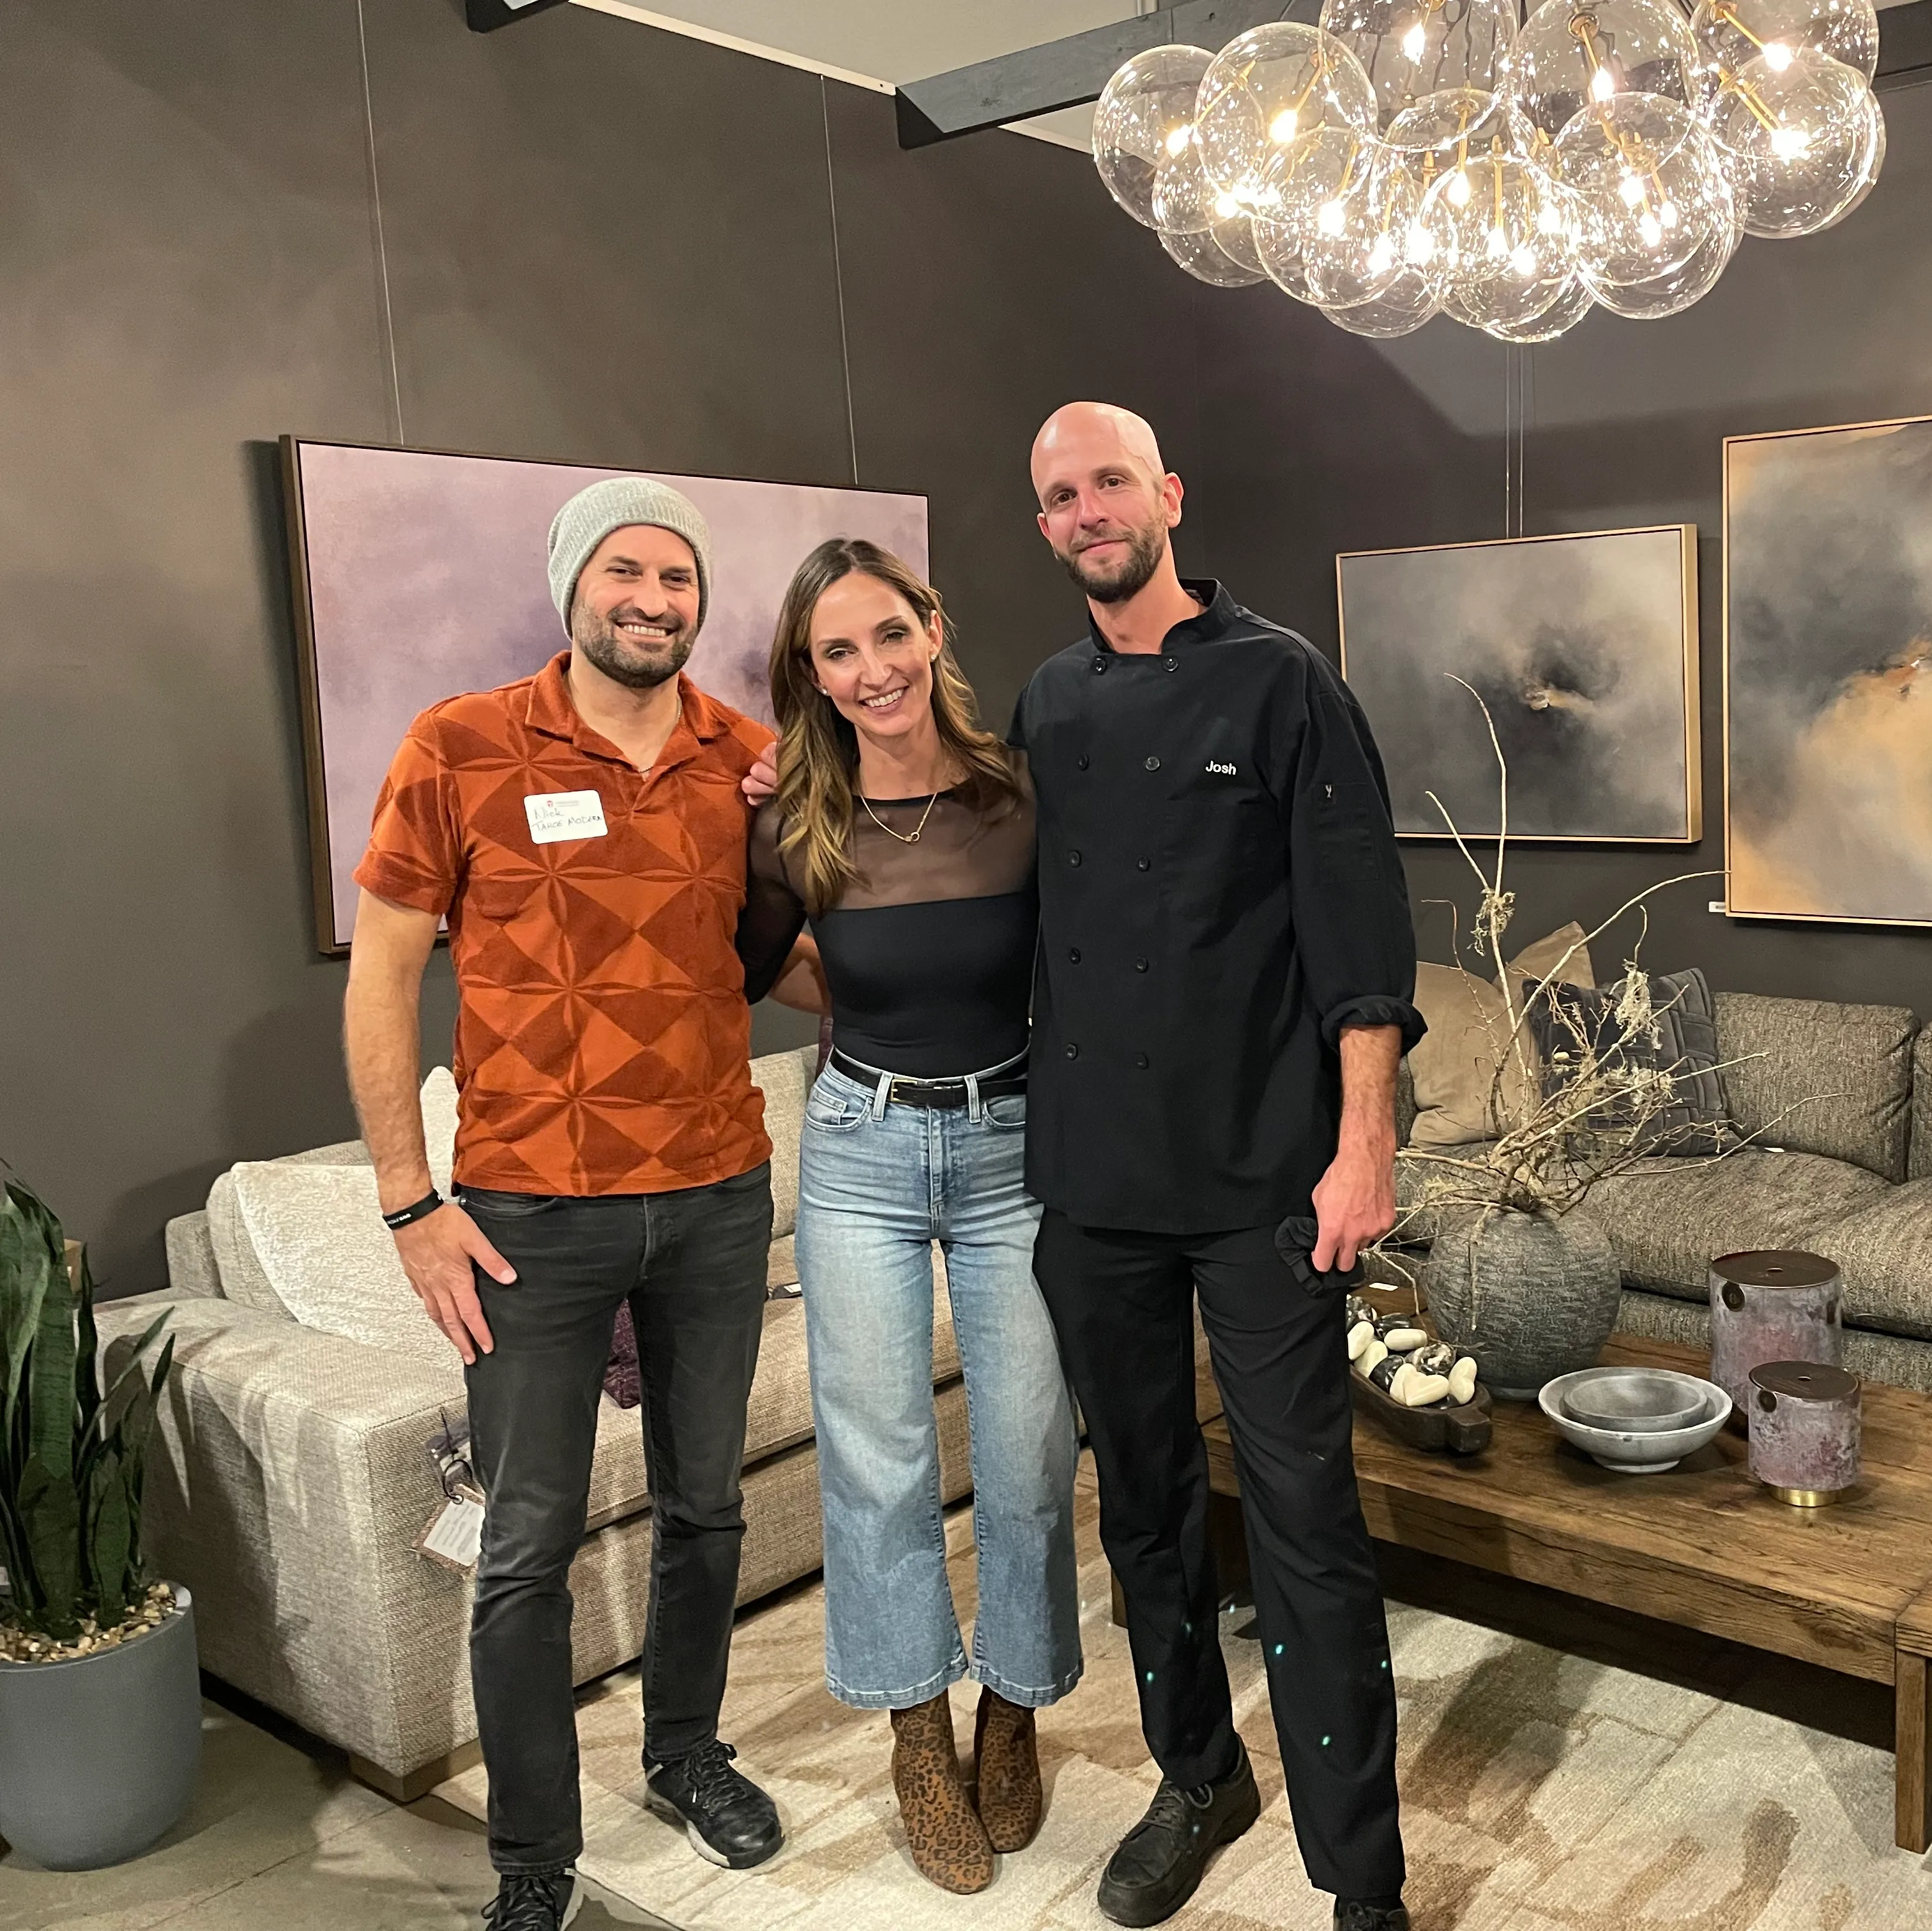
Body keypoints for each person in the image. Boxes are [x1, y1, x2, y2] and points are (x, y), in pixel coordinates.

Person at [346, 478, 785, 1931]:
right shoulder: (461, 746)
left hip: (719, 1194)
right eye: (625, 573)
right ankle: (534, 1859)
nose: (654, 600)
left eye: (677, 578)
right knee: (526, 1544)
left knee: (705, 1510)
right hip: (528, 1212)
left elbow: (779, 958)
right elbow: (383, 975)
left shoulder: (750, 762)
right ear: (569, 586)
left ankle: (685, 1754)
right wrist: (411, 1206)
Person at [1015, 403, 1420, 1931]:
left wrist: (1360, 1149)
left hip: (1267, 1185)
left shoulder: (1286, 683)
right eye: (1059, 496)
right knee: (1143, 1513)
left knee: (1309, 1527)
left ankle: (1362, 1882)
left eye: (1109, 480)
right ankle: (1198, 1774)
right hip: (1094, 1188)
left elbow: (1359, 941)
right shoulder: (1047, 706)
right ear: (1046, 529)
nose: (1087, 510)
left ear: (1168, 494)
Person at [735, 539, 1080, 1897]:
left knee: (1030, 1451)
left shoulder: (1020, 797)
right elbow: (761, 964)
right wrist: (875, 1027)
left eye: (888, 635)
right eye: (837, 652)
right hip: (860, 1152)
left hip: (1015, 1146)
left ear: (931, 629)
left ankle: (1014, 1705)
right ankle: (918, 1736)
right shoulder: (790, 821)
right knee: (875, 1462)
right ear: (810, 675)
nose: (871, 671)